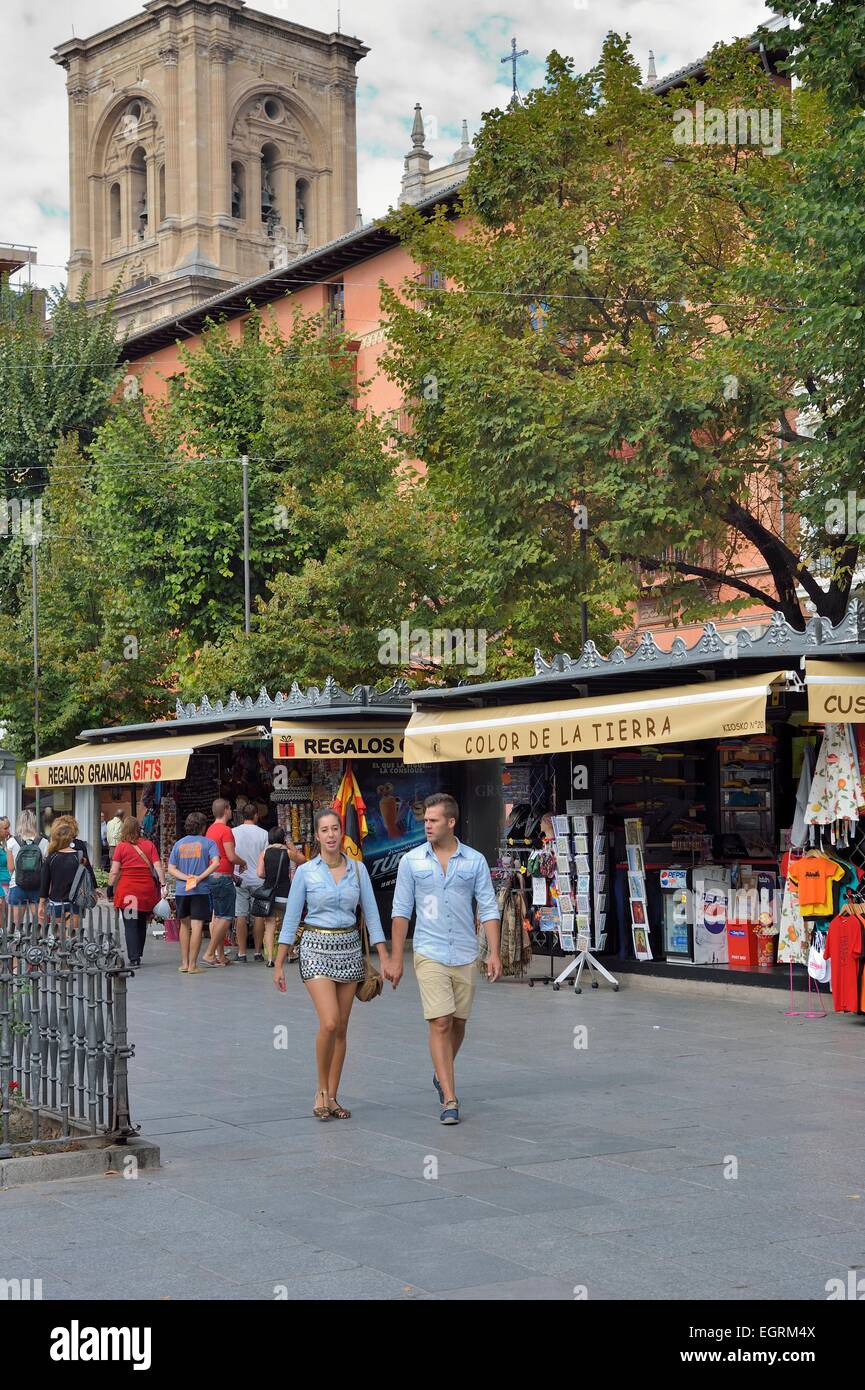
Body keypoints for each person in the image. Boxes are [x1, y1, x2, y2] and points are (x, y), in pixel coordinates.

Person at [389, 793, 502, 1126]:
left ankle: (441, 1072)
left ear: (451, 822)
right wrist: (396, 958)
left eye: (433, 820)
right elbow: (400, 911)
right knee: (440, 1021)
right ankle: (450, 1098)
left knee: (458, 1024)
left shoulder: (474, 861)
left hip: (466, 952)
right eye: (425, 819)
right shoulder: (411, 861)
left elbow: (489, 907)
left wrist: (494, 952)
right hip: (429, 951)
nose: (426, 824)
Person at [273, 809, 391, 1121]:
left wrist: (386, 956)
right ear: (317, 835)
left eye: (335, 828)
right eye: (324, 829)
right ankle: (320, 1090)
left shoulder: (358, 870)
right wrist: (279, 961)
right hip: (315, 948)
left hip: (349, 949)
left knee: (341, 1028)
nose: (330, 835)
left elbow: (373, 915)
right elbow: (291, 917)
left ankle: (334, 1096)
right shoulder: (307, 873)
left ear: (342, 833)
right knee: (329, 1022)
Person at [108, 815, 167, 967]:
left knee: (131, 924)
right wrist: (163, 884)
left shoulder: (121, 847)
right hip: (146, 892)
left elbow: (114, 871)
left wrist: (109, 887)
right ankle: (138, 952)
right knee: (142, 922)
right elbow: (158, 866)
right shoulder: (149, 845)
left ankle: (134, 957)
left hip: (128, 893)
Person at [166, 812, 221, 974]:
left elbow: (171, 868)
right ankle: (193, 965)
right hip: (200, 889)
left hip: (182, 890)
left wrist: (186, 878)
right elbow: (216, 862)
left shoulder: (179, 844)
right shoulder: (208, 843)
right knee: (197, 925)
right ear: (204, 827)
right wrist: (199, 877)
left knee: (184, 925)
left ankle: (184, 963)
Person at [204, 799, 246, 966]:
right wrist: (243, 863)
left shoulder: (210, 830)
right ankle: (209, 953)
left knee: (217, 916)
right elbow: (231, 856)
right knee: (227, 917)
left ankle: (219, 955)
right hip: (223, 878)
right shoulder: (226, 831)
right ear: (226, 810)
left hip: (213, 876)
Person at [256, 826, 305, 966]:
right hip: (285, 894)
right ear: (283, 838)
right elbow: (303, 860)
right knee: (287, 926)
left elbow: (260, 873)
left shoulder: (264, 853)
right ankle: (290, 953)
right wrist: (291, 845)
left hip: (269, 895)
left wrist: (269, 876)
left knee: (269, 926)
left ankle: (271, 958)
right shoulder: (287, 852)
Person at [232, 804, 268, 962]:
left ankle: (241, 952)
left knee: (241, 915)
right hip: (259, 879)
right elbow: (265, 857)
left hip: (239, 878)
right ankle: (258, 952)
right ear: (256, 816)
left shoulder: (233, 832)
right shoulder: (264, 834)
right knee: (258, 916)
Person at [38, 818, 86, 927]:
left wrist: (41, 904)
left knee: (58, 938)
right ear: (70, 839)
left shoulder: (51, 858)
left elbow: (44, 884)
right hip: (75, 902)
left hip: (56, 902)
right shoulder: (79, 856)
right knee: (72, 938)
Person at [7, 809, 46, 927]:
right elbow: (45, 867)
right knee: (40, 923)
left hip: (17, 885)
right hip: (37, 886)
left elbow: (11, 867)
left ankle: (16, 945)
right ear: (34, 822)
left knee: (16, 925)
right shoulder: (43, 842)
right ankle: (39, 944)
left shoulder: (11, 842)